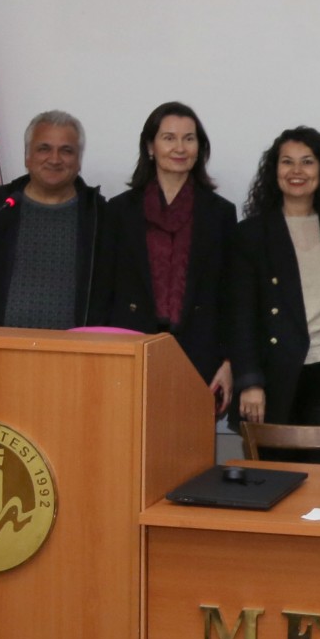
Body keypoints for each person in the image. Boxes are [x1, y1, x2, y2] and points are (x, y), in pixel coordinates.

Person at [95, 101, 237, 414]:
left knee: (189, 444)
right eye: (169, 138)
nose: (180, 148)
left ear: (200, 148)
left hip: (200, 357)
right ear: (150, 147)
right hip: (130, 351)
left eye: (189, 138)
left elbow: (230, 295)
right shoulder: (119, 211)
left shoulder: (220, 213)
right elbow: (102, 291)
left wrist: (229, 361)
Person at [227, 126, 320, 432]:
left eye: (307, 161)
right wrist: (250, 382)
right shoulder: (251, 235)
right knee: (273, 464)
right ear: (274, 171)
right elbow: (240, 315)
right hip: (271, 379)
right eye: (287, 162)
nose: (296, 171)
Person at [0, 110, 104, 329]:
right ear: (27, 157)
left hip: (76, 349)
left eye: (66, 151)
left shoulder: (99, 217)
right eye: (44, 148)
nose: (54, 159)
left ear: (79, 161)